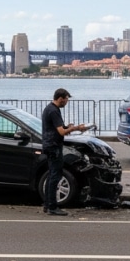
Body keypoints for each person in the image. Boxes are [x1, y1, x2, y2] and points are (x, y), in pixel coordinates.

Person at [40, 87, 87, 216]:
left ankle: (47, 204)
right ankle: (53, 207)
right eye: (66, 100)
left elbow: (58, 128)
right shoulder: (54, 111)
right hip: (54, 146)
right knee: (56, 175)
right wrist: (76, 128)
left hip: (50, 145)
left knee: (51, 175)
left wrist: (68, 127)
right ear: (60, 99)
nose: (67, 102)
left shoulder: (49, 109)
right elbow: (61, 132)